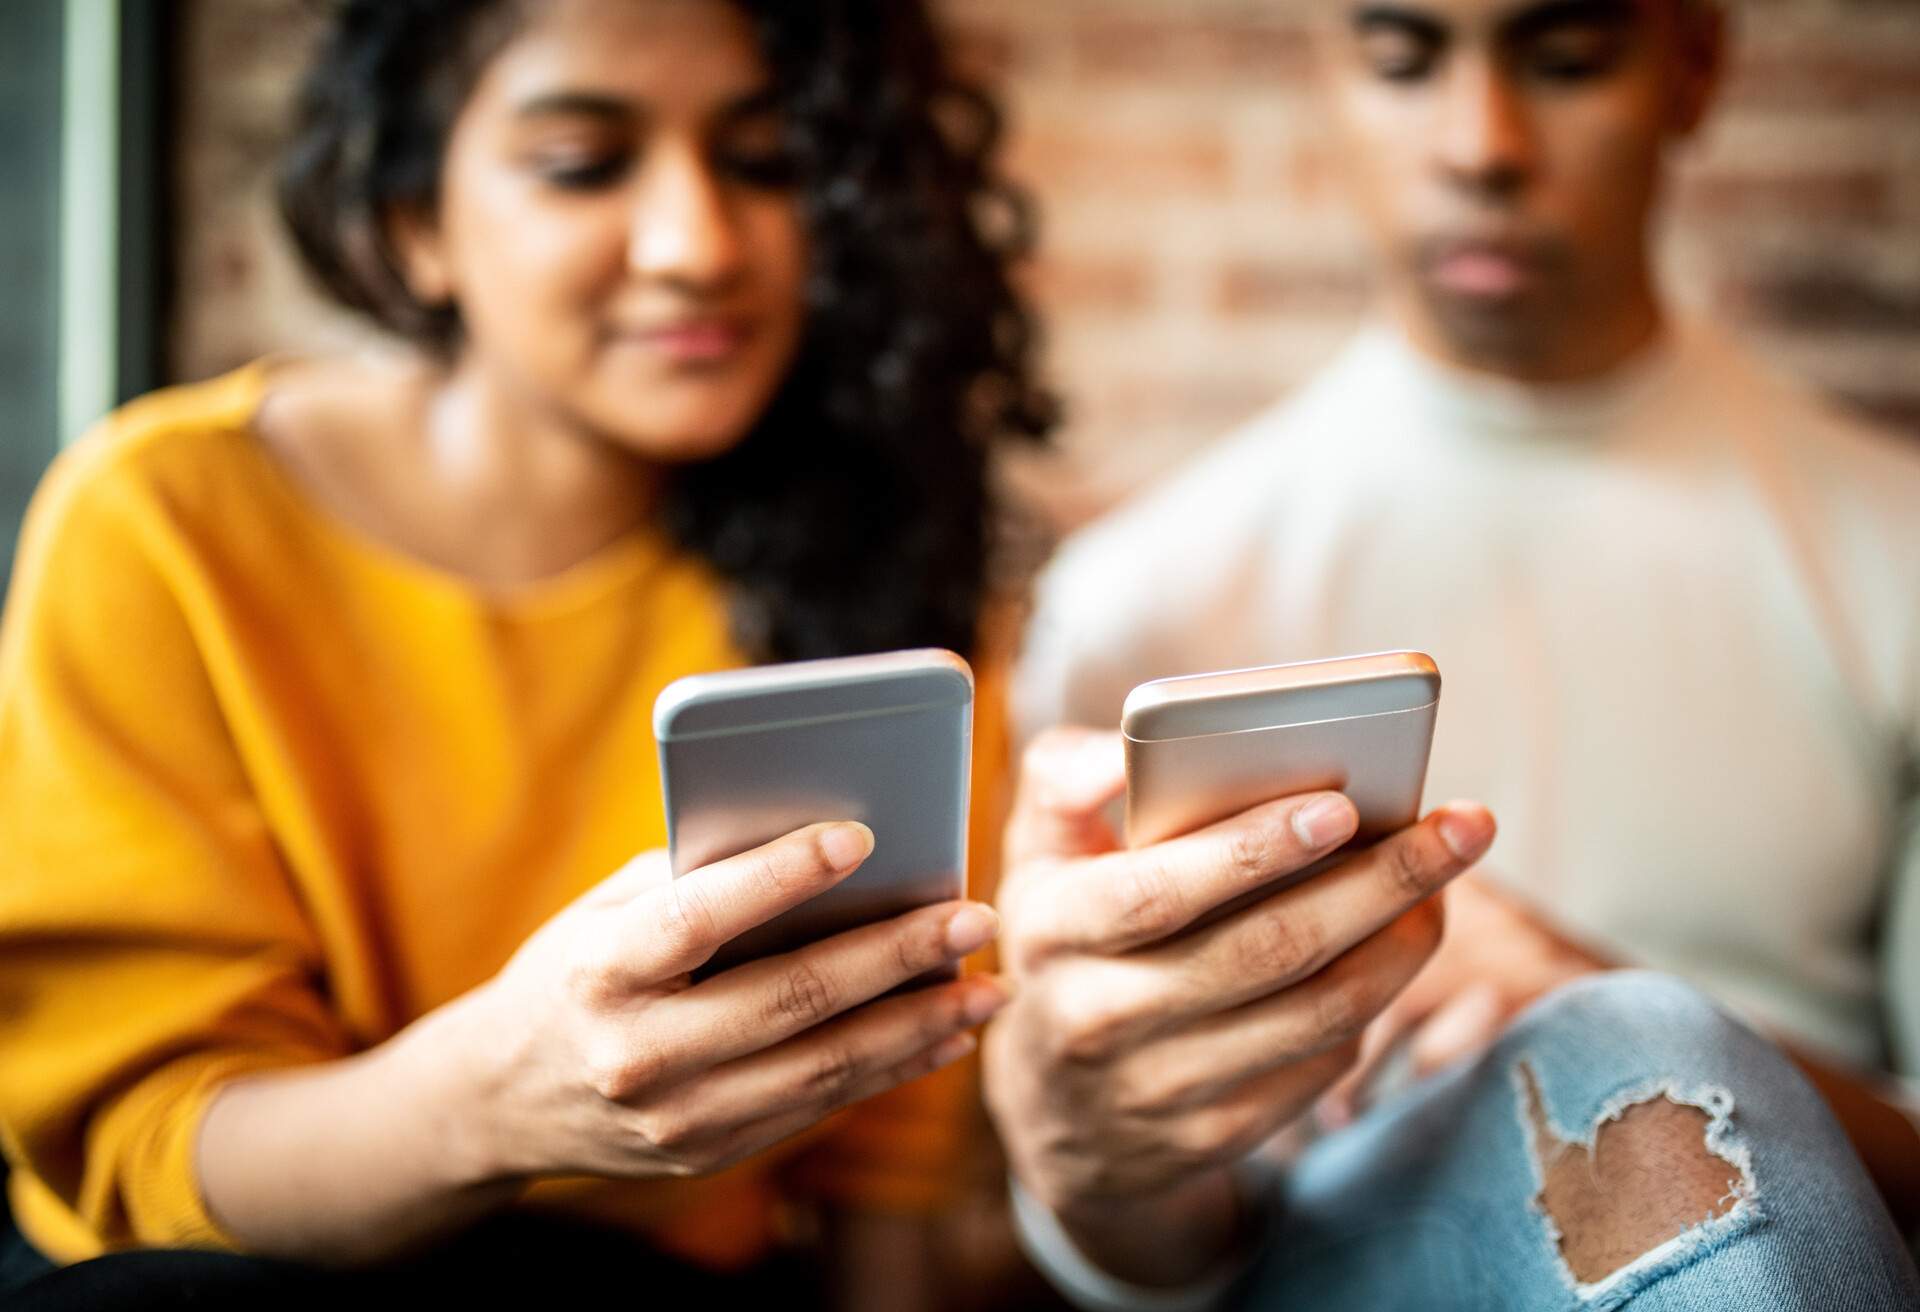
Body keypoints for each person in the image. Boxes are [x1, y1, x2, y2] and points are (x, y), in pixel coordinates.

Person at [0, 1, 1054, 1308]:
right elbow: (149, 1142)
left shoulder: (879, 551)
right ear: (413, 225)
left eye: (768, 162)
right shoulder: (163, 525)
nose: (697, 246)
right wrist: (495, 1101)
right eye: (581, 165)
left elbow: (883, 1170)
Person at [989, 0, 1920, 1306]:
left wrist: (1608, 1017)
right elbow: (1161, 1261)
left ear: (1693, 68)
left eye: (1564, 54)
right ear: (1328, 71)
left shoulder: (1895, 553)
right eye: (1403, 57)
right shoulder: (1147, 600)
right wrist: (1089, 1161)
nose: (1480, 144)